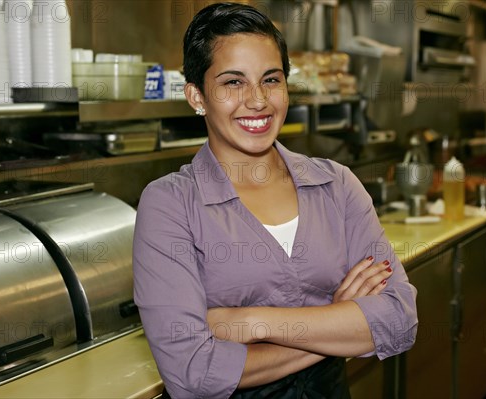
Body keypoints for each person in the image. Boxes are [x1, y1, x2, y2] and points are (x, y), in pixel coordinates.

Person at [133, 3, 418, 398]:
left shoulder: (336, 185)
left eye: (271, 79)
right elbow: (193, 372)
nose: (258, 101)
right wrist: (334, 323)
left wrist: (252, 322)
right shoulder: (170, 204)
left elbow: (399, 321)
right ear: (197, 96)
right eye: (233, 82)